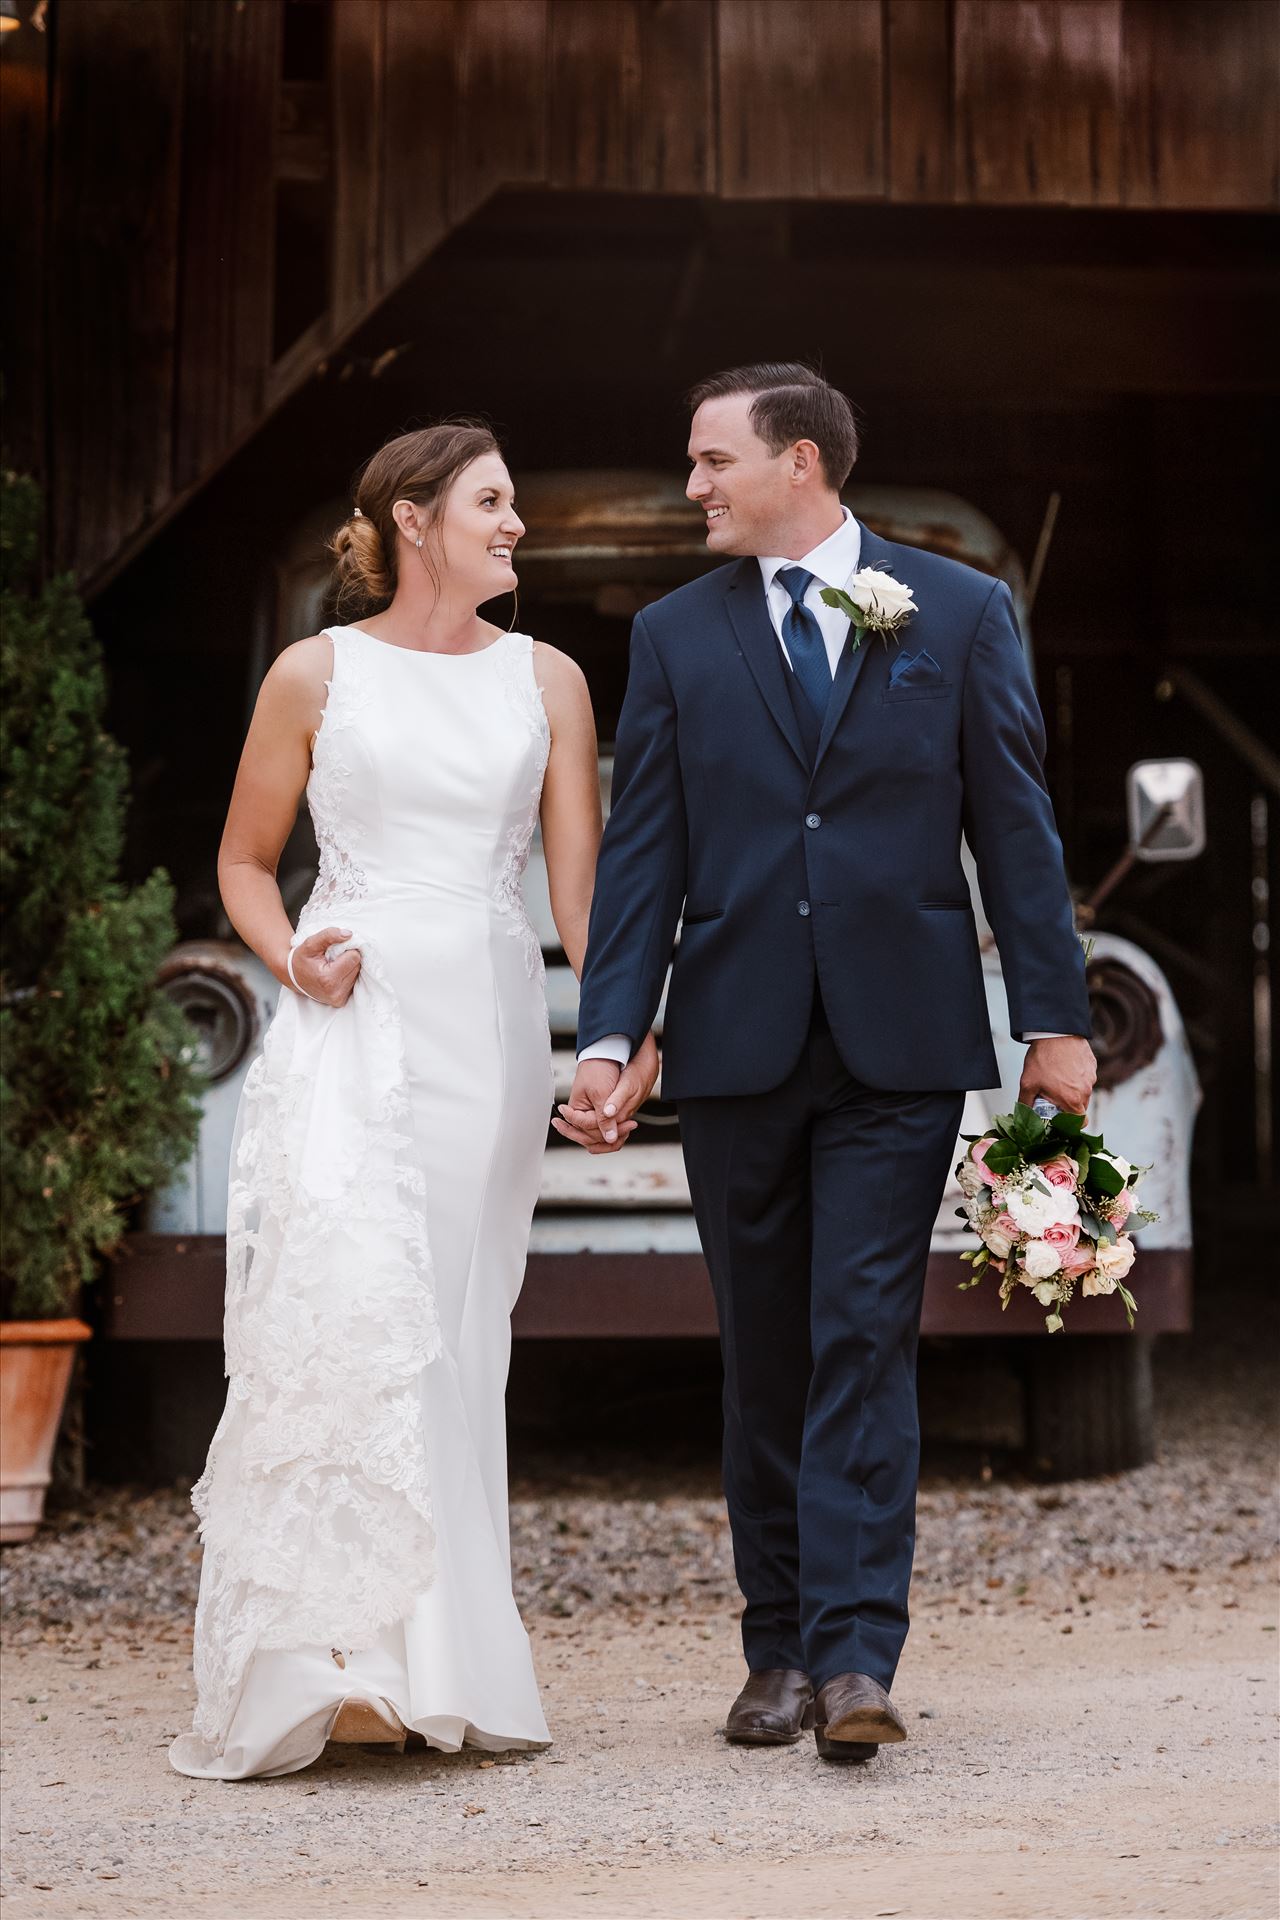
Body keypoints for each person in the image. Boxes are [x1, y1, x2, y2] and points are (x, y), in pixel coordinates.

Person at [557, 364, 1095, 1763]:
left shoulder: (962, 613)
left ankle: (858, 1660)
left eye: (711, 461)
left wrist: (1059, 1018)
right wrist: (611, 1032)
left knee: (863, 1333)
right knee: (765, 1351)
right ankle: (775, 1649)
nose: (694, 488)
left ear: (800, 463)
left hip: (899, 1043)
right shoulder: (676, 636)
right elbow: (644, 856)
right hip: (736, 1044)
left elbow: (1018, 829)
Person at [170, 421, 655, 1779]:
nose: (517, 525)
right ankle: (334, 1663)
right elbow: (246, 862)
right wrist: (288, 957)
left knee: (452, 1326)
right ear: (414, 520)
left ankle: (443, 1659)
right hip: (354, 1016)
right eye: (494, 503)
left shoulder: (548, 681)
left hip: (489, 1027)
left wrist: (618, 1031)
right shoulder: (312, 674)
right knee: (342, 1312)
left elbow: (578, 892)